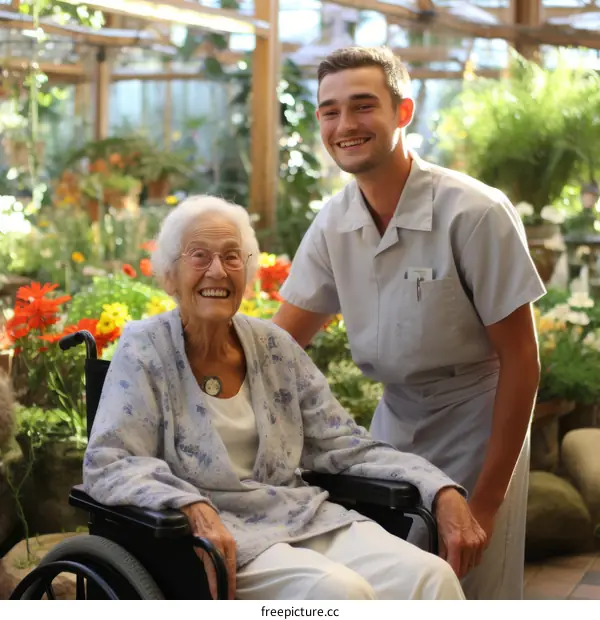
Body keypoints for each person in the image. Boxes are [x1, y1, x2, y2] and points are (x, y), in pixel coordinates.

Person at [83, 195, 486, 601]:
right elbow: (110, 461)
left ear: (247, 271)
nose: (217, 271)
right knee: (339, 594)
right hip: (217, 542)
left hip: (304, 519)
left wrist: (438, 488)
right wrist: (189, 505)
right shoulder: (145, 348)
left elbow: (345, 445)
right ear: (170, 276)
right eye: (199, 256)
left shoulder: (274, 346)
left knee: (430, 576)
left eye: (232, 256)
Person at [272, 46, 546, 600]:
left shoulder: (474, 213)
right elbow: (278, 345)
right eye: (329, 111)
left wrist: (485, 504)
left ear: (404, 112)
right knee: (396, 583)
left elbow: (522, 361)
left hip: (480, 424)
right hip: (393, 428)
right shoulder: (334, 222)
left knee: (474, 591)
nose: (344, 125)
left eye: (363, 105)